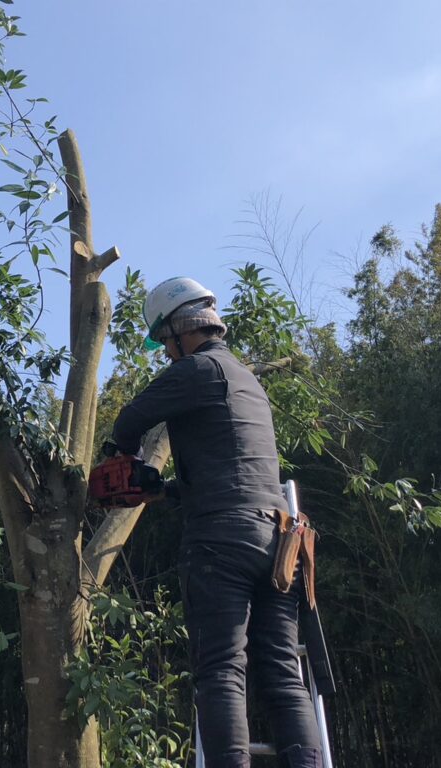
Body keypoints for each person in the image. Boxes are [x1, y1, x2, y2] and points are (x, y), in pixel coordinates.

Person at [110, 277, 322, 768]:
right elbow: (235, 470)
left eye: (164, 341)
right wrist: (162, 488)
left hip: (221, 541)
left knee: (222, 670)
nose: (165, 352)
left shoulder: (198, 369)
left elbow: (129, 418)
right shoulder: (246, 379)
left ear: (182, 329)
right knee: (282, 673)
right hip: (279, 539)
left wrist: (124, 459)